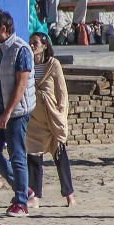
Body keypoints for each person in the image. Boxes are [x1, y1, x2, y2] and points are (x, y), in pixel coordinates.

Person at [0, 10, 35, 217]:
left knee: (17, 155)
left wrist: (8, 112)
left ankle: (21, 201)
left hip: (14, 113)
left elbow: (21, 84)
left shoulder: (20, 49)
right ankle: (23, 188)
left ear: (3, 29)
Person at [25, 31, 75, 209]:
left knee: (60, 155)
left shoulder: (53, 64)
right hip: (34, 117)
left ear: (45, 45)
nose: (32, 46)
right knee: (33, 157)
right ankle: (34, 196)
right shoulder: (27, 65)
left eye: (35, 43)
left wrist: (61, 114)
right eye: (30, 42)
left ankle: (69, 194)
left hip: (51, 116)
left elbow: (62, 92)